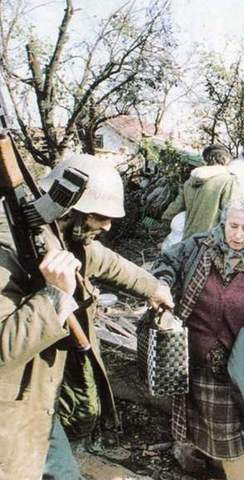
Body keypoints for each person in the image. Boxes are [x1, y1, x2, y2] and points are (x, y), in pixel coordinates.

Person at [0, 154, 174, 480]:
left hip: (40, 402)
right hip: (9, 412)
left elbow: (103, 260)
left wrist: (153, 287)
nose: (108, 226)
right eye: (101, 217)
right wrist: (54, 296)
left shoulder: (57, 234)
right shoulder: (7, 249)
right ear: (69, 210)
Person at [153, 198, 244, 480]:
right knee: (205, 426)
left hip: (237, 368)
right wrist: (162, 283)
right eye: (233, 226)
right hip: (191, 358)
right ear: (223, 223)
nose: (238, 235)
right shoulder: (197, 247)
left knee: (229, 436)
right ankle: (219, 469)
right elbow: (167, 261)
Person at [162, 144, 237, 240]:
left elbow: (175, 207)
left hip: (187, 238)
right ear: (226, 159)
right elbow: (230, 212)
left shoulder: (190, 181)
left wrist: (165, 223)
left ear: (206, 159)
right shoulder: (227, 181)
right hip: (210, 240)